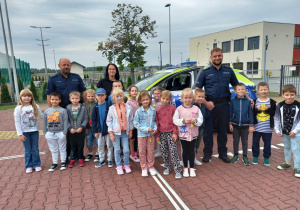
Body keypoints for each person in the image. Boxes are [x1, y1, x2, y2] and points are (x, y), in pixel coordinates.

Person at [196, 48, 239, 163]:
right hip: (210, 105)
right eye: (215, 56)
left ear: (222, 56)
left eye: (219, 55)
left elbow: (237, 86)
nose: (217, 58)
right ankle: (207, 154)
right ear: (211, 58)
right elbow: (198, 90)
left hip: (224, 105)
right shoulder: (205, 72)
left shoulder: (229, 71)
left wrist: (247, 98)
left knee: (222, 131)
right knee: (208, 131)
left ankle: (223, 154)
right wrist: (205, 103)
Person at [45, 58, 87, 164]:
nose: (66, 67)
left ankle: (78, 155)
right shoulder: (53, 79)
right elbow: (49, 95)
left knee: (77, 133)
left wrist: (84, 106)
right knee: (66, 134)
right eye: (64, 65)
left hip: (75, 110)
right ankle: (68, 155)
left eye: (68, 65)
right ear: (59, 66)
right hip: (61, 111)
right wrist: (52, 110)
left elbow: (83, 91)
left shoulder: (76, 77)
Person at [173, 88, 203, 178]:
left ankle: (192, 168)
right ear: (182, 98)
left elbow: (201, 120)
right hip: (183, 134)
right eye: (186, 98)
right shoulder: (179, 109)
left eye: (190, 98)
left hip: (193, 134)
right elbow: (175, 120)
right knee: (185, 151)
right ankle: (186, 168)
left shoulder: (196, 108)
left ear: (193, 98)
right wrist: (183, 121)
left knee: (192, 151)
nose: (188, 99)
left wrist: (196, 120)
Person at [14, 89, 43, 173]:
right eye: (24, 96)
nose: (26, 98)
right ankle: (29, 166)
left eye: (29, 96)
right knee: (27, 149)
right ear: (20, 97)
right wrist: (20, 134)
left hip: (34, 131)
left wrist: (50, 118)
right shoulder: (18, 108)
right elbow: (17, 122)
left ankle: (36, 164)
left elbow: (42, 116)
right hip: (25, 132)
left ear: (32, 97)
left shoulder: (35, 106)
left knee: (35, 148)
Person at [275, 84, 300, 178]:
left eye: (292, 94)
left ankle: (297, 167)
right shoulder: (280, 105)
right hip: (284, 132)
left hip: (295, 134)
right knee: (287, 147)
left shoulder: (298, 106)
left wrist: (295, 131)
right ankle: (287, 163)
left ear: (295, 94)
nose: (289, 97)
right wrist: (277, 129)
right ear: (283, 95)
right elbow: (276, 118)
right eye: (287, 95)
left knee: (296, 149)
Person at [106, 88, 133, 175]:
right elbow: (109, 121)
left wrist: (130, 131)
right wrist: (111, 133)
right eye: (117, 96)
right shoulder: (111, 109)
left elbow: (131, 120)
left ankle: (126, 165)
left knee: (126, 150)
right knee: (117, 150)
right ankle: (119, 166)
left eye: (121, 96)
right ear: (114, 98)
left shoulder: (128, 107)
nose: (119, 98)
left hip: (125, 133)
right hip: (115, 133)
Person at [155, 90, 182, 179]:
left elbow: (175, 122)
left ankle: (178, 169)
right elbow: (157, 123)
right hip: (162, 133)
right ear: (160, 98)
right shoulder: (158, 110)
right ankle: (167, 167)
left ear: (170, 99)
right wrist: (157, 135)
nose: (164, 101)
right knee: (164, 151)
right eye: (163, 98)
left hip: (171, 133)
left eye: (167, 99)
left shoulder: (173, 108)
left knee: (173, 151)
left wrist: (175, 133)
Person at [229, 83, 254, 166]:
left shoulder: (248, 102)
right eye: (239, 89)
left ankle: (245, 156)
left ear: (245, 91)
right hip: (235, 125)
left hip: (245, 126)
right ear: (235, 91)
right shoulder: (232, 101)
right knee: (235, 141)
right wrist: (230, 123)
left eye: (243, 89)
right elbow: (230, 113)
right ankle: (235, 155)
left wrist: (251, 125)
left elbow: (250, 114)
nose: (241, 91)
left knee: (245, 141)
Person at [252, 82, 276, 166]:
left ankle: (266, 157)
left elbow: (274, 114)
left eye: (265, 89)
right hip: (257, 127)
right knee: (255, 142)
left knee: (267, 143)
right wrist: (256, 110)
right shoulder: (254, 102)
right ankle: (255, 156)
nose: (263, 91)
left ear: (268, 90)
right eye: (261, 90)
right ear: (258, 91)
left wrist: (268, 110)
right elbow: (252, 114)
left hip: (267, 128)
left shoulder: (272, 102)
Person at [134, 90, 157, 177]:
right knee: (142, 152)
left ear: (150, 100)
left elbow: (154, 121)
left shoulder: (153, 110)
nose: (145, 101)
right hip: (141, 135)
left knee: (150, 151)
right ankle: (144, 168)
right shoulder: (138, 111)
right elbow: (136, 123)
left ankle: (150, 167)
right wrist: (146, 129)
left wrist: (154, 129)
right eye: (143, 100)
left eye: (147, 99)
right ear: (140, 101)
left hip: (151, 135)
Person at [43, 92, 69, 171]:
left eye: (56, 100)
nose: (54, 101)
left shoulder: (63, 110)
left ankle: (63, 162)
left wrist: (64, 132)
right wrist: (45, 132)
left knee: (62, 148)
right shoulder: (47, 111)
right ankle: (55, 163)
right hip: (50, 133)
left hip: (60, 132)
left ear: (60, 100)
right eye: (52, 99)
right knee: (53, 149)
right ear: (50, 100)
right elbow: (44, 122)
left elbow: (65, 122)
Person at [92, 88, 114, 168]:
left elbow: (112, 118)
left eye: (102, 95)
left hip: (108, 130)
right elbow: (94, 120)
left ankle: (110, 159)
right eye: (98, 95)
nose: (100, 97)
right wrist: (95, 131)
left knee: (109, 145)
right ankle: (101, 159)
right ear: (96, 97)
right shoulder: (95, 107)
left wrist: (111, 129)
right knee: (100, 146)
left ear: (105, 96)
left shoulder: (109, 106)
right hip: (99, 130)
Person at [66, 91, 88, 168]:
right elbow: (67, 120)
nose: (75, 100)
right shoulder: (68, 108)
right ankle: (72, 158)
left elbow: (85, 119)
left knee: (80, 144)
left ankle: (80, 157)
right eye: (73, 98)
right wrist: (70, 128)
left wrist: (81, 127)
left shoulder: (82, 108)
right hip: (71, 131)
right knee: (72, 145)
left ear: (79, 98)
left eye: (76, 98)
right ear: (70, 99)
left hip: (80, 131)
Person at [192, 88, 207, 166]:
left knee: (197, 144)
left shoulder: (203, 105)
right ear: (195, 97)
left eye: (202, 97)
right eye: (199, 96)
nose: (201, 98)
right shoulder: (193, 106)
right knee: (192, 144)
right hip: (194, 128)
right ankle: (190, 159)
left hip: (201, 128)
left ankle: (194, 157)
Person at [84, 89, 98, 162]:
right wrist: (85, 127)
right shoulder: (84, 105)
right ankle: (90, 153)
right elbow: (84, 117)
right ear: (86, 96)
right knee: (89, 141)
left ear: (95, 96)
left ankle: (97, 154)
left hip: (96, 127)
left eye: (92, 96)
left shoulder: (97, 104)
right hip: (88, 127)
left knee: (97, 141)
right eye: (88, 96)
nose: (90, 98)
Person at [126, 85, 140, 162]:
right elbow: (128, 115)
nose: (134, 92)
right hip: (132, 124)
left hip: (138, 124)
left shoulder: (138, 101)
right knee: (132, 139)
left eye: (135, 91)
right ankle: (132, 154)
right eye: (132, 91)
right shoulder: (128, 103)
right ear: (129, 93)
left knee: (137, 138)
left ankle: (135, 152)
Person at [151, 86, 164, 158]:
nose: (156, 95)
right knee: (156, 136)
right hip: (154, 122)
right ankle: (158, 149)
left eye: (158, 93)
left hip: (160, 122)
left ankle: (160, 151)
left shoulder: (162, 102)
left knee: (159, 136)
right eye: (155, 93)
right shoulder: (152, 102)